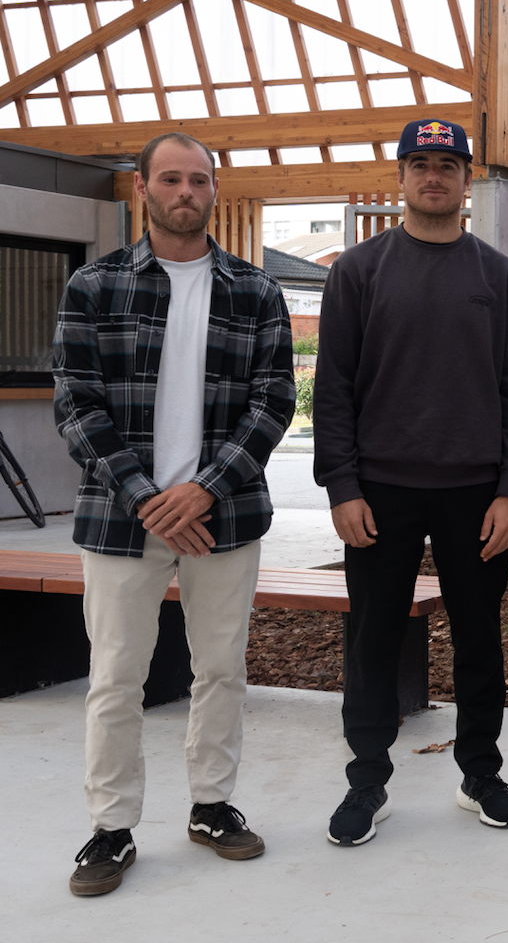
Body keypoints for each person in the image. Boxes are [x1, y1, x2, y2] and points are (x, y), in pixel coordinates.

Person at [53, 132, 295, 895]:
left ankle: (212, 806)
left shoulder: (255, 291)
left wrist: (205, 488)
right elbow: (76, 404)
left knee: (220, 668)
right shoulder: (95, 286)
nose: (185, 191)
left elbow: (274, 401)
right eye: (170, 179)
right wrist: (148, 498)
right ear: (142, 189)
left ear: (214, 190)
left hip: (223, 515)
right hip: (122, 516)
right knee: (115, 676)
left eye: (198, 179)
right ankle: (111, 827)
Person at [314, 119, 508, 843]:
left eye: (447, 164)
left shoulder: (497, 277)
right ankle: (366, 780)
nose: (433, 176)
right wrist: (342, 485)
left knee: (479, 637)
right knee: (372, 639)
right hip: (380, 491)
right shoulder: (359, 270)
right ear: (401, 177)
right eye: (420, 163)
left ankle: (481, 773)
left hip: (475, 494)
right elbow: (333, 388)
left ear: (467, 179)